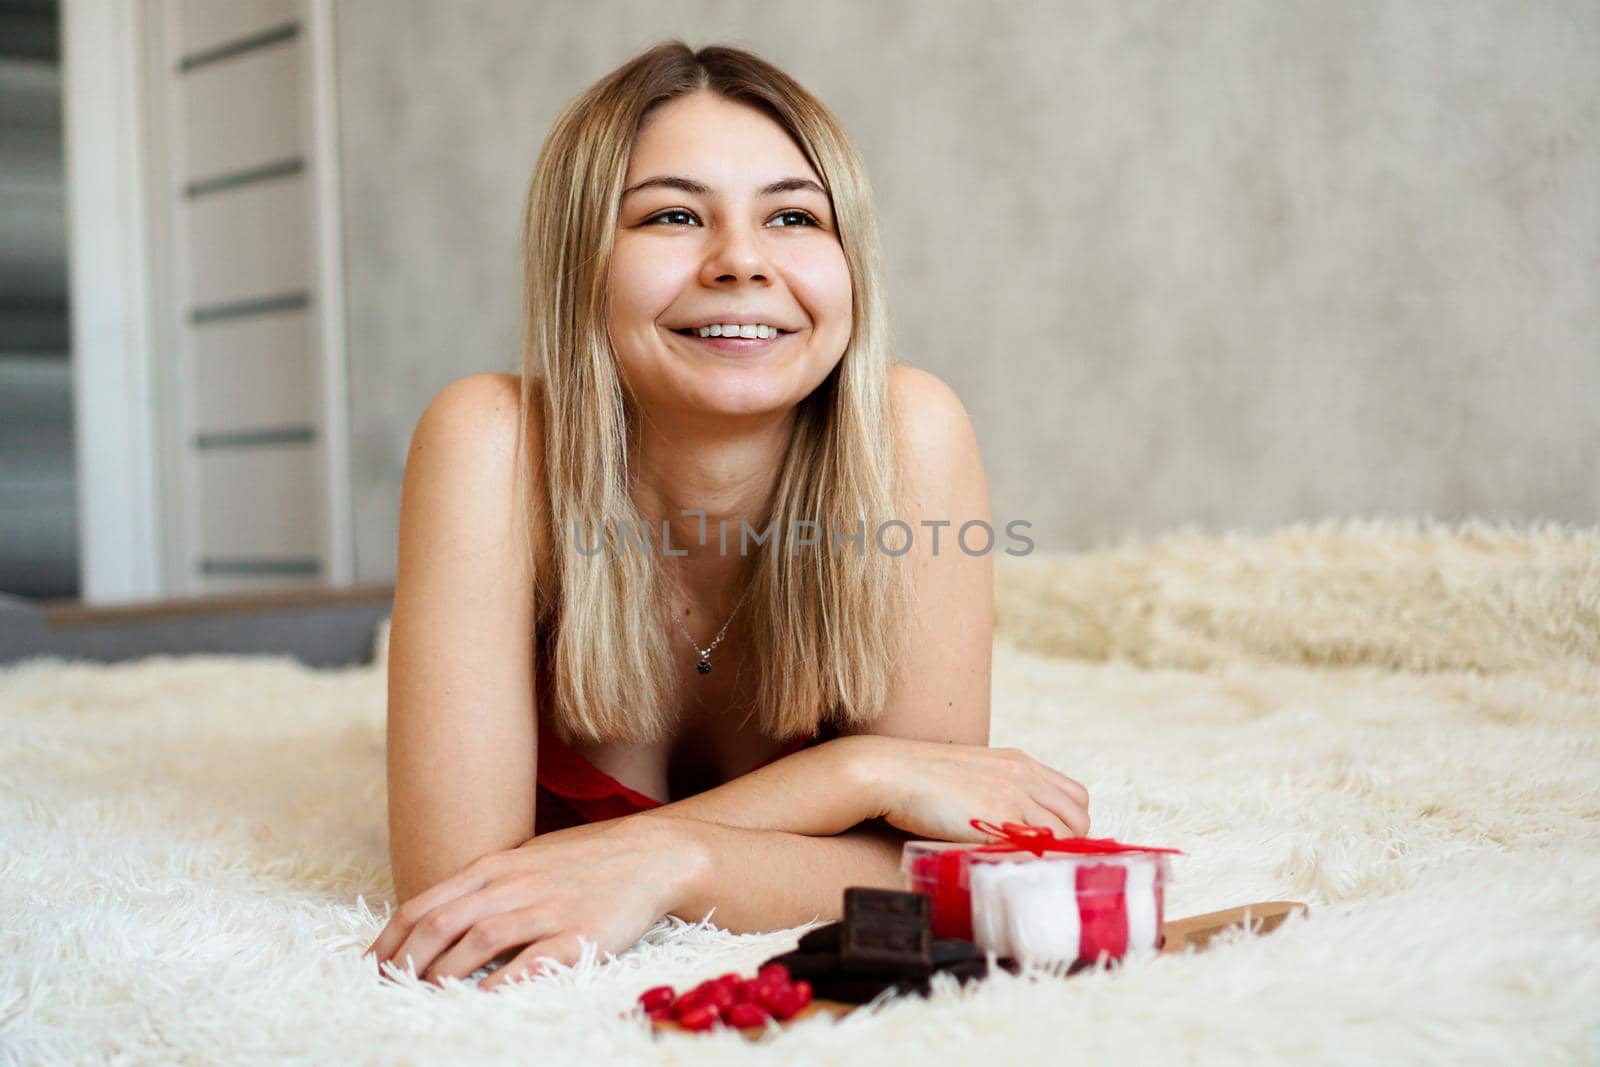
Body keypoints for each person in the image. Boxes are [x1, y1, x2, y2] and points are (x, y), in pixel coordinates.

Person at [365, 40, 1090, 990]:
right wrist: (860, 776)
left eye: (793, 215)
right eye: (672, 214)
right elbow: (462, 893)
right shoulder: (488, 441)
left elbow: (934, 870)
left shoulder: (912, 435)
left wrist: (673, 863)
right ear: (582, 262)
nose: (742, 261)